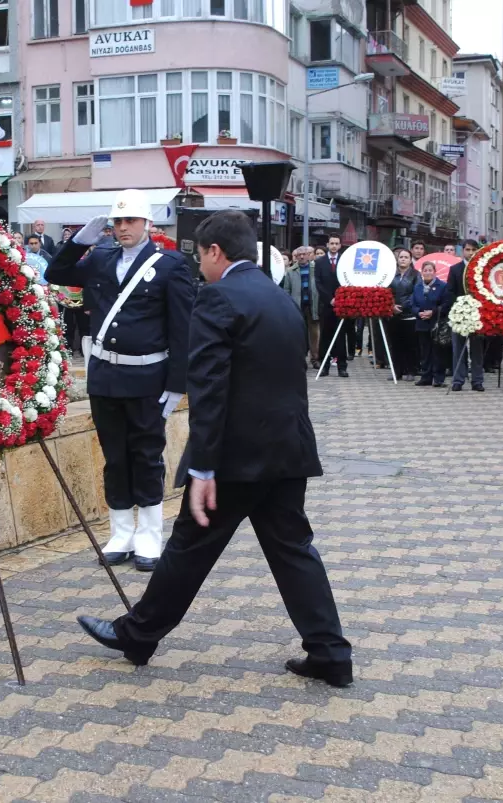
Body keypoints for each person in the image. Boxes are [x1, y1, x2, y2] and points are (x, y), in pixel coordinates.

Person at [74, 210, 352, 686]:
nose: (199, 266)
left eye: (201, 256)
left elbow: (208, 388)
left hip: (236, 460)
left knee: (188, 548)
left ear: (216, 252)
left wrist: (202, 467)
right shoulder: (275, 296)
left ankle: (138, 635)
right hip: (287, 451)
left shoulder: (219, 297)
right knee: (293, 550)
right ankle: (330, 653)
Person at [44, 189, 195, 572]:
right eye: (118, 222)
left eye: (130, 221)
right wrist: (78, 242)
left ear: (148, 224)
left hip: (148, 374)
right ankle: (121, 531)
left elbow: (182, 327)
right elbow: (55, 273)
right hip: (106, 374)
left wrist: (177, 384)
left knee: (146, 454)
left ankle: (148, 534)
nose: (123, 228)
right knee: (115, 455)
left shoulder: (170, 264)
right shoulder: (101, 257)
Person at [448, 239, 484, 391]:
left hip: (478, 314)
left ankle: (477, 380)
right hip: (460, 313)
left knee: (477, 349)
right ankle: (458, 379)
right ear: (462, 251)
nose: (470, 253)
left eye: (473, 250)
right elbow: (450, 291)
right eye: (468, 250)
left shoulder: (482, 268)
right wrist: (459, 307)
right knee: (458, 348)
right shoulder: (455, 269)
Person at [412, 259, 450, 387]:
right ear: (421, 272)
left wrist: (433, 312)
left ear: (435, 272)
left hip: (437, 324)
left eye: (430, 270)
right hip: (422, 323)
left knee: (438, 352)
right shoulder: (417, 286)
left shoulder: (443, 286)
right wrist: (418, 312)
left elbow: (446, 304)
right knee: (425, 352)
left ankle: (438, 378)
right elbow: (413, 304)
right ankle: (426, 376)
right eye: (425, 270)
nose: (427, 273)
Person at [282, 246, 320, 368]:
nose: (302, 257)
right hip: (297, 306)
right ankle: (300, 359)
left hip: (312, 305)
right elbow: (286, 290)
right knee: (299, 334)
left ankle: (315, 359)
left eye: (304, 254)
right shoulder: (291, 271)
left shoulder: (316, 269)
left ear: (309, 255)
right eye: (299, 255)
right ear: (296, 257)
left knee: (314, 334)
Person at [313, 242, 347, 377]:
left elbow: (347, 280)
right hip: (326, 304)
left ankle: (342, 367)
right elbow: (318, 282)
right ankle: (324, 366)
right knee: (325, 336)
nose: (334, 246)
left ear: (340, 245)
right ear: (327, 244)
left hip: (342, 303)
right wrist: (329, 299)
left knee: (340, 336)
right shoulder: (320, 262)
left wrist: (340, 298)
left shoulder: (344, 260)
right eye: (331, 243)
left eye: (336, 244)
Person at [388, 247, 419, 380]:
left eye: (406, 257)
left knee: (410, 344)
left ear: (410, 260)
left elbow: (416, 293)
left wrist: (405, 306)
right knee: (395, 344)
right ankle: (397, 371)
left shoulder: (416, 275)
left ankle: (411, 371)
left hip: (409, 314)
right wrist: (391, 305)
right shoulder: (390, 274)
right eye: (401, 257)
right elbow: (386, 292)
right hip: (393, 313)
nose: (403, 259)